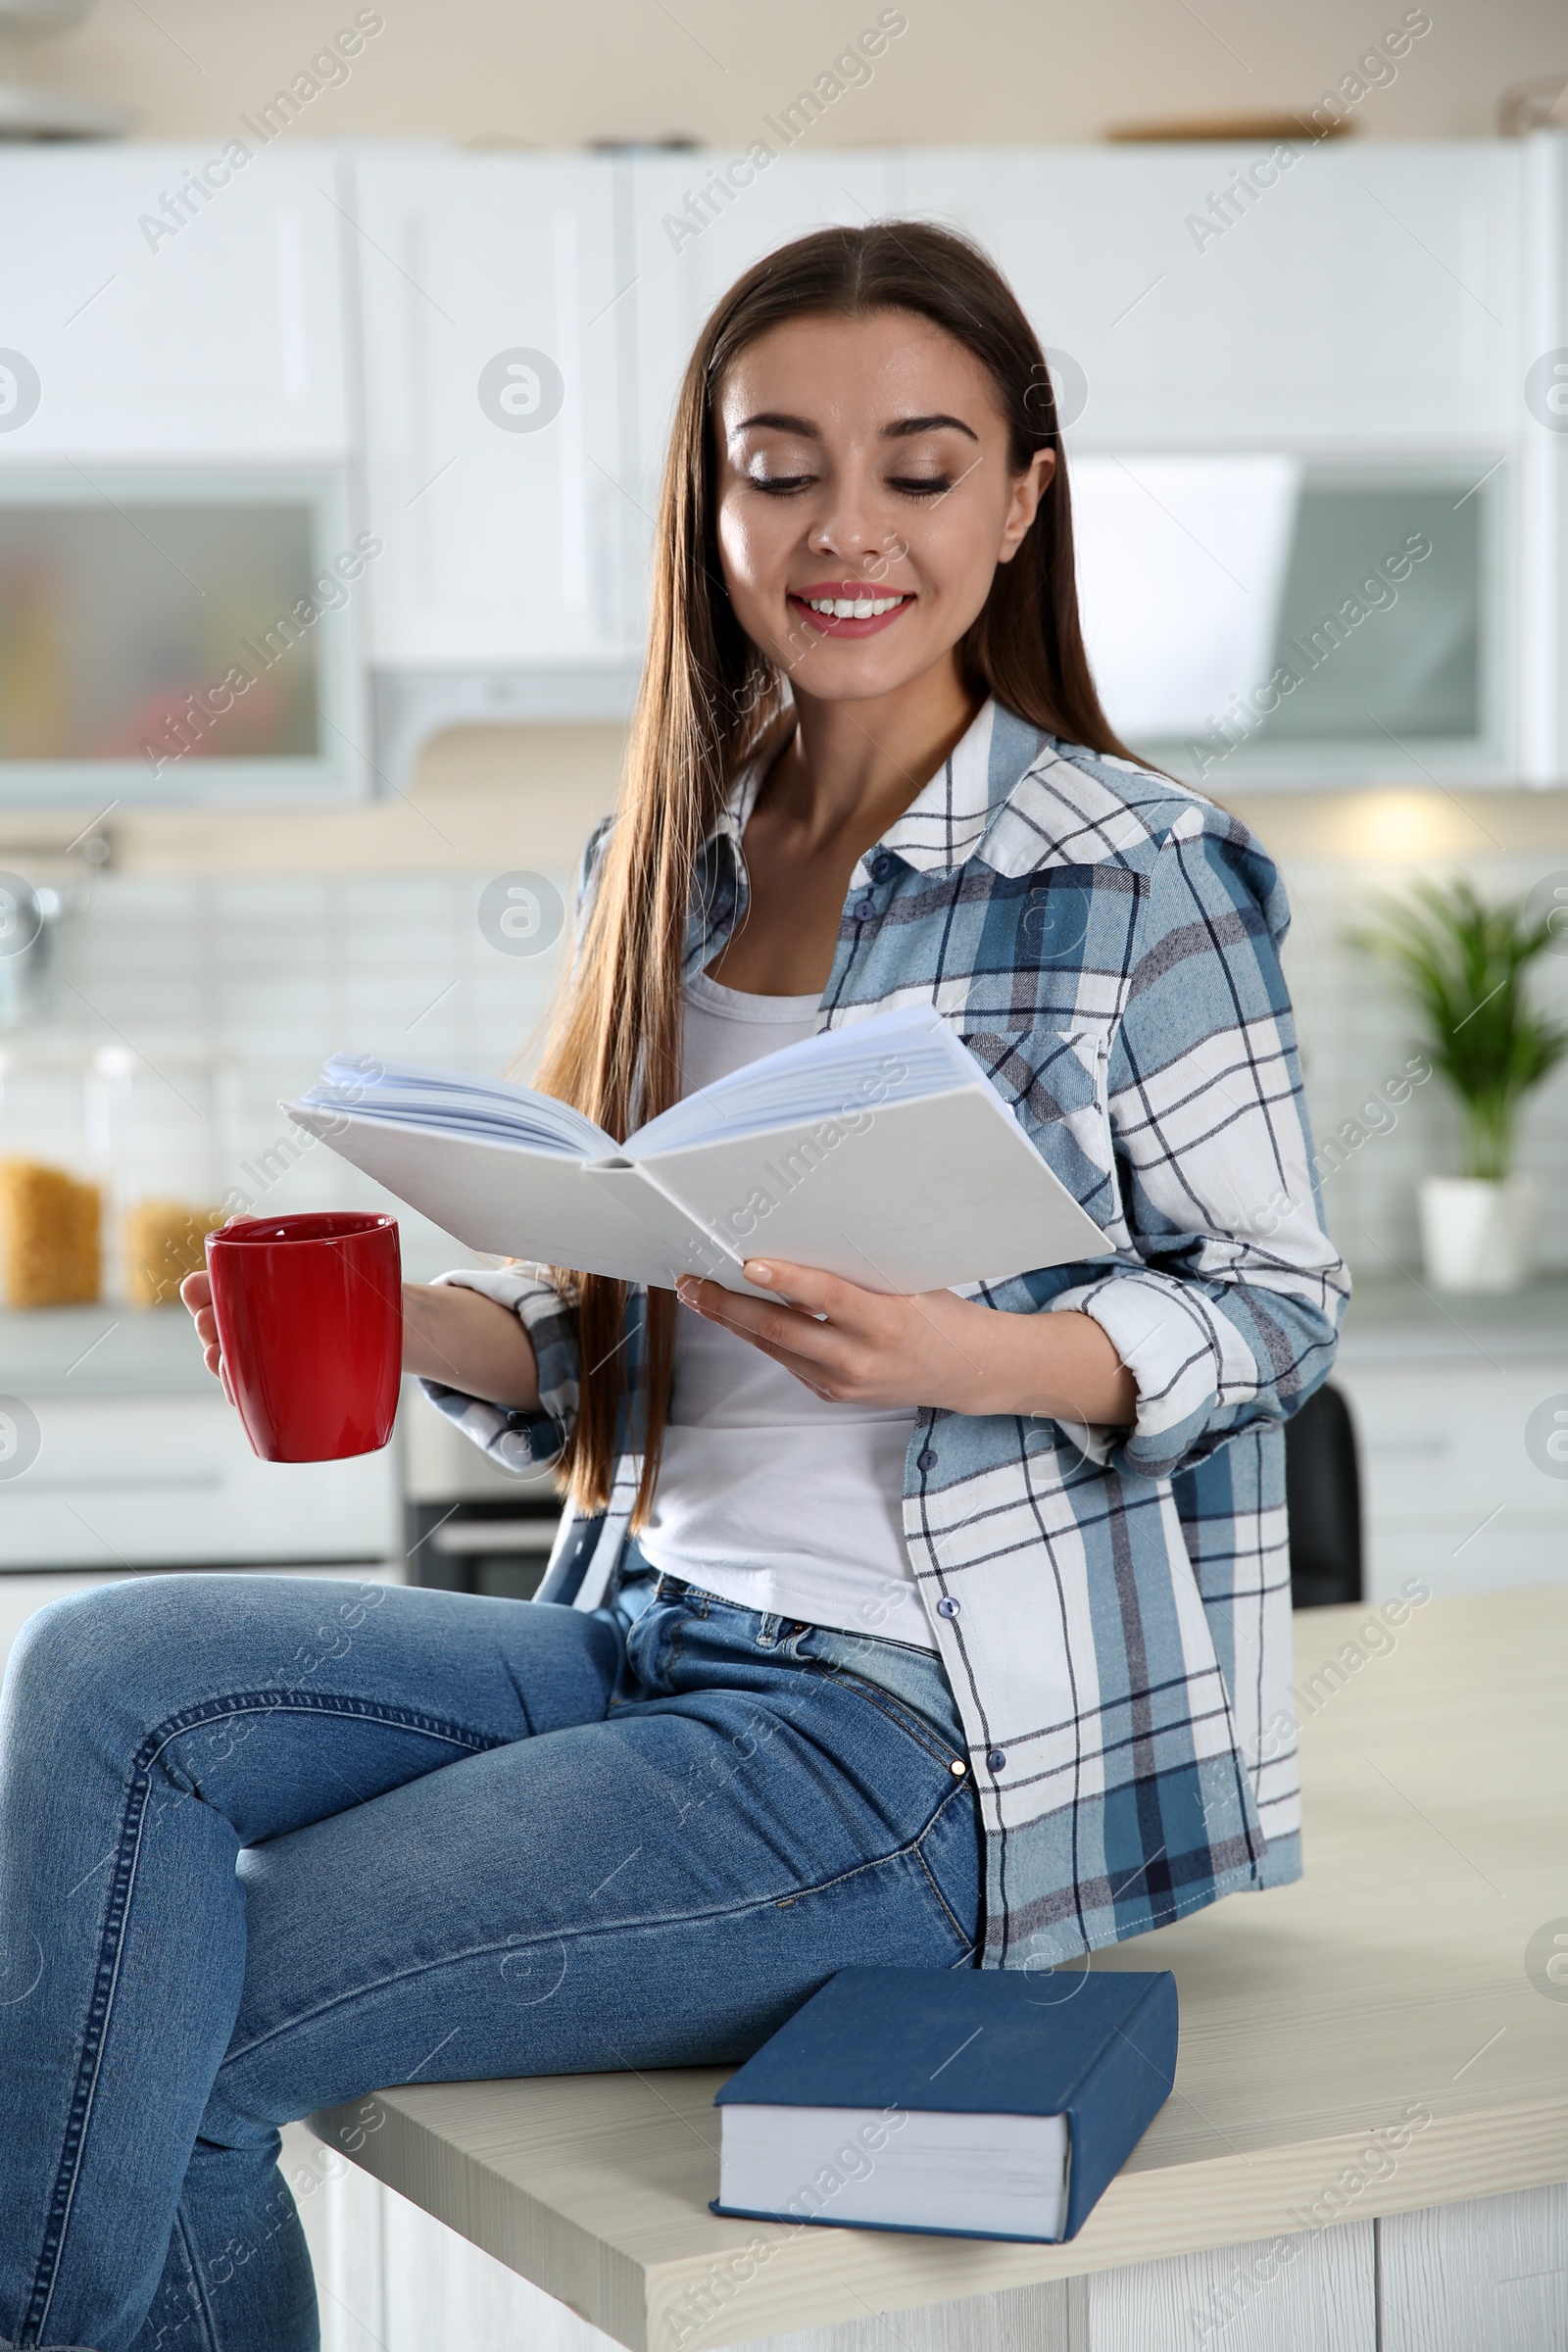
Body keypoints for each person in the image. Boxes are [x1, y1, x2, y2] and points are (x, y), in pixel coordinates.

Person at [0, 221, 1347, 2352]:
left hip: (904, 1748)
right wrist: (439, 1322)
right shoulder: (675, 852)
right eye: (775, 465)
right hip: (632, 1640)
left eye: (915, 469)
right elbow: (611, 1305)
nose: (842, 529)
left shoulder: (1138, 869)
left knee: (174, 2013)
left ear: (1018, 497)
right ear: (705, 503)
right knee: (101, 1673)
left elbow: (1276, 1309)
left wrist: (964, 1348)